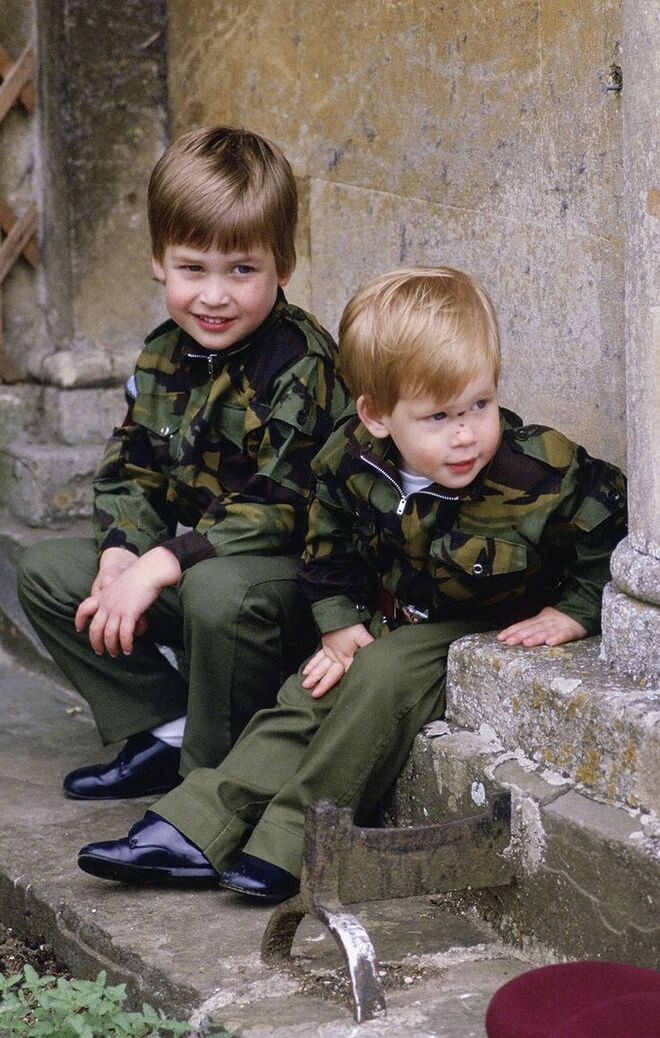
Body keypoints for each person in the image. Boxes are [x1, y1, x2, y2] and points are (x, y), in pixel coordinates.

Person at [73, 266, 627, 899]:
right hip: (400, 612)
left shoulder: (539, 472)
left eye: (481, 403)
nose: (467, 433)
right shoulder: (352, 457)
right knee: (307, 692)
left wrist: (579, 609)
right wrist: (337, 624)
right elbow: (326, 541)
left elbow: (613, 523)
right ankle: (196, 823)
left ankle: (295, 841)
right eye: (439, 415)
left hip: (482, 624)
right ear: (378, 416)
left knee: (381, 676)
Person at [17, 125, 349, 800]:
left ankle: (211, 787)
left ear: (284, 264)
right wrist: (121, 553)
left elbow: (282, 503)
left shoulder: (301, 362)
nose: (215, 296)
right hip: (202, 571)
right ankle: (165, 730)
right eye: (194, 268)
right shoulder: (163, 353)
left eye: (242, 270)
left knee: (216, 589)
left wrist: (161, 564)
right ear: (159, 262)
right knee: (50, 572)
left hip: (288, 593)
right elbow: (133, 466)